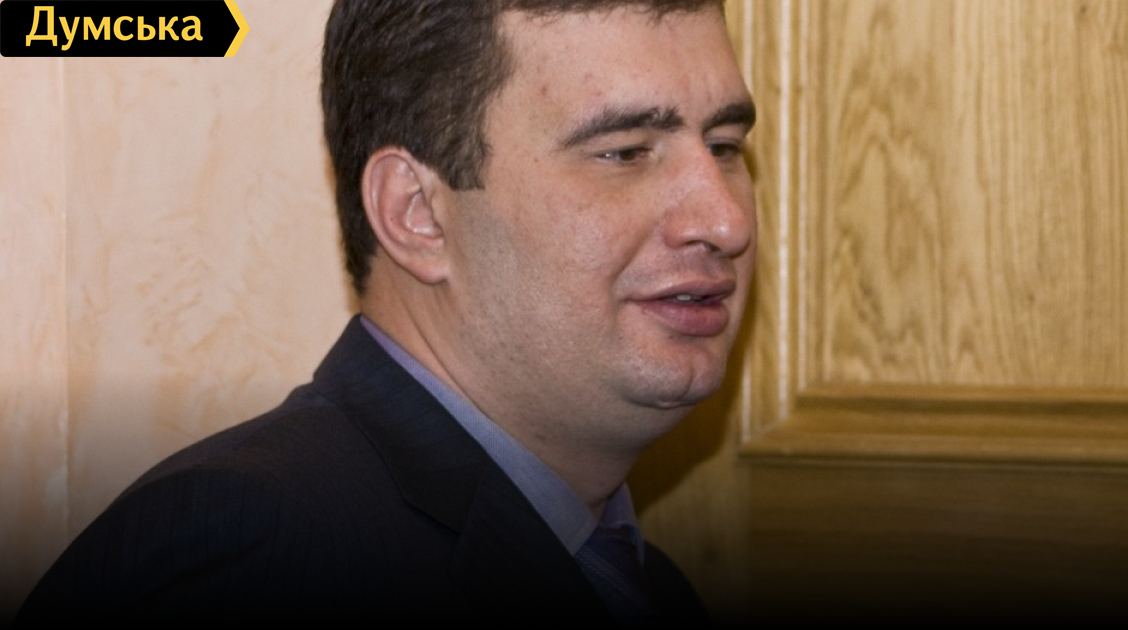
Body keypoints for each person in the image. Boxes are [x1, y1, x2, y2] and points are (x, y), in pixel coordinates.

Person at [17, 0, 756, 622]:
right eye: (625, 152)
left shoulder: (649, 587)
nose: (725, 221)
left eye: (724, 146)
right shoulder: (245, 558)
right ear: (417, 215)